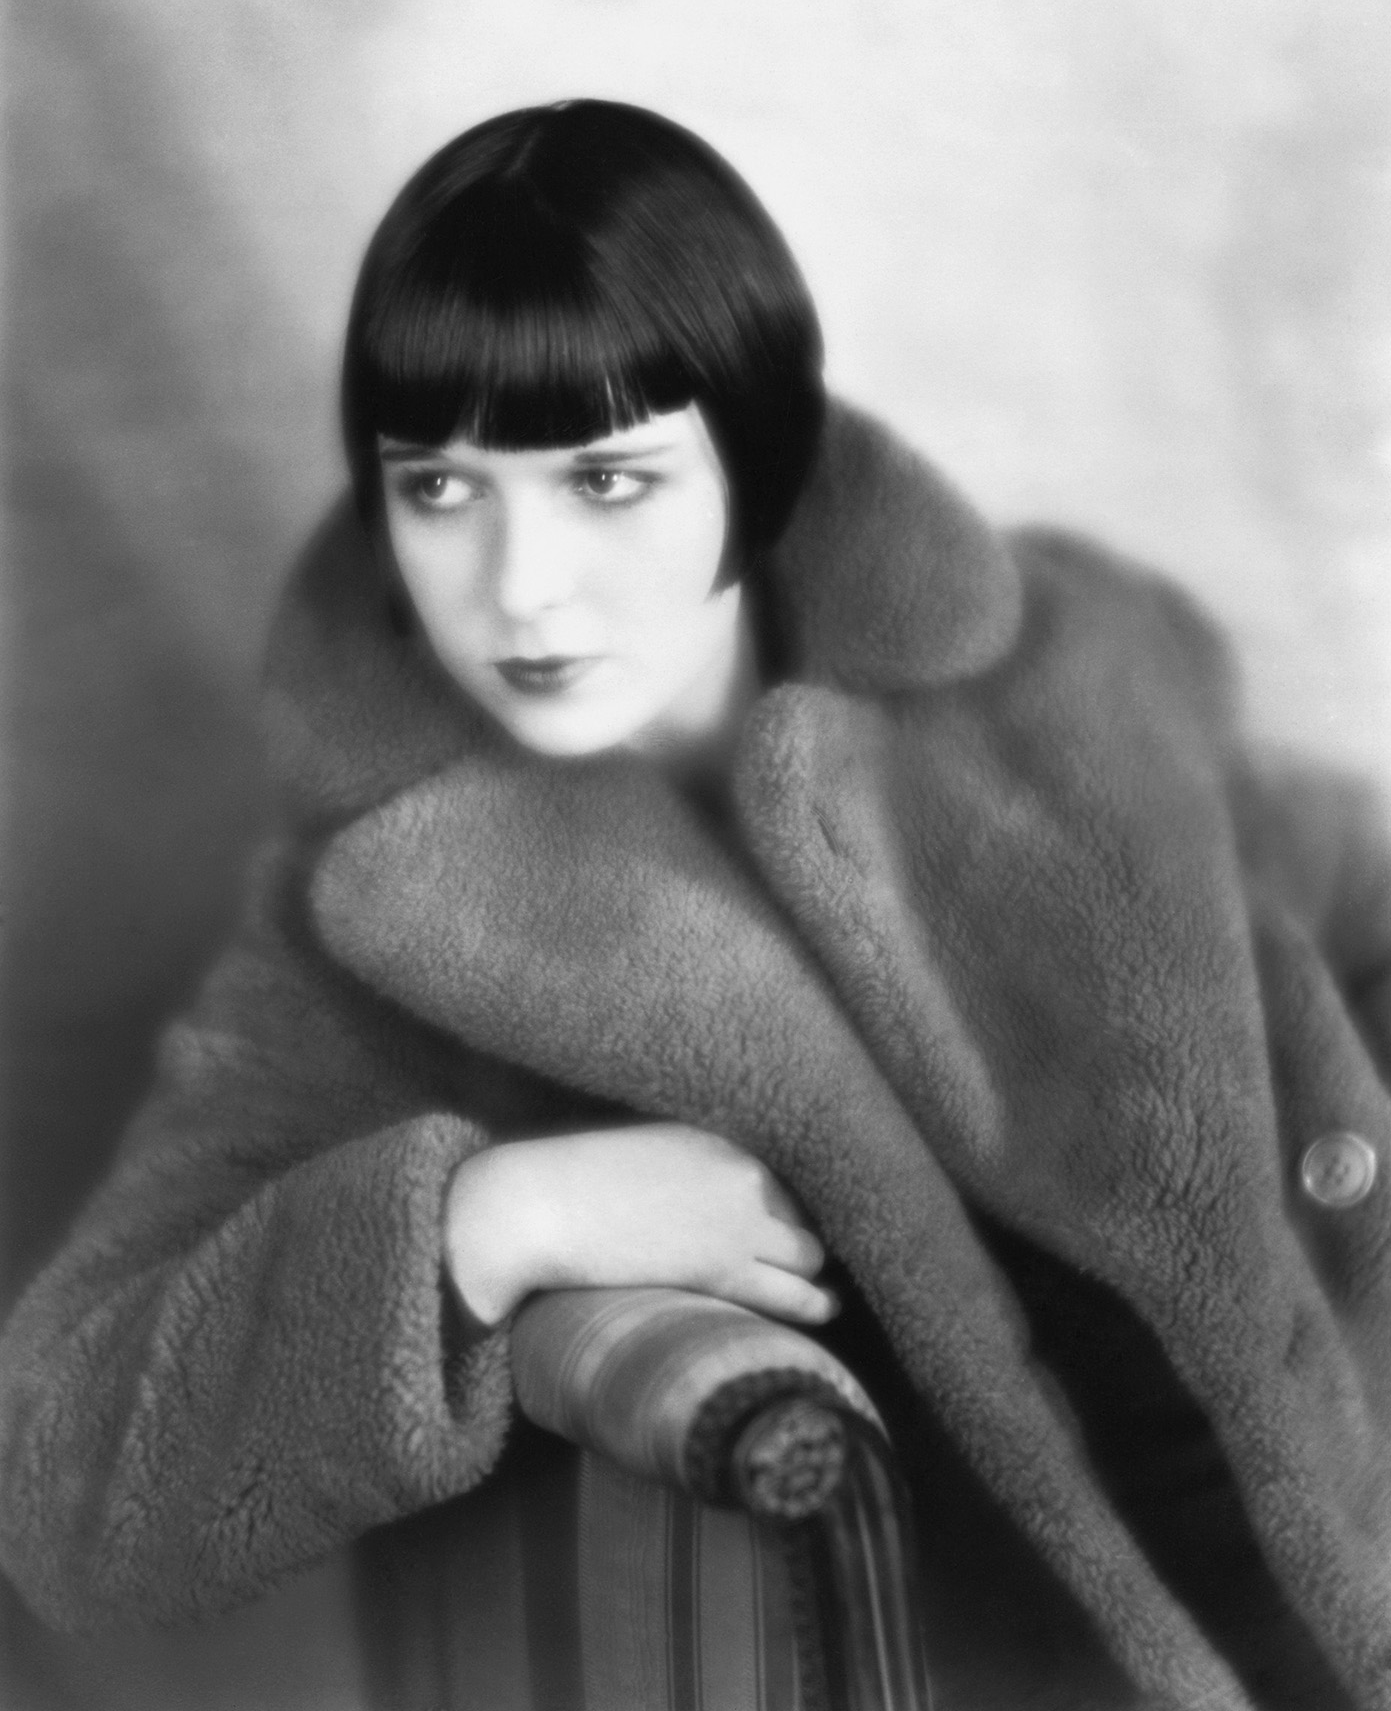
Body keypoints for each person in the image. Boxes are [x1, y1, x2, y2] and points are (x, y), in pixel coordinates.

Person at [1, 98, 1390, 1711]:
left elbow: (1353, 901)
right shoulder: (379, 931)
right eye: (440, 489)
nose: (521, 587)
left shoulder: (1068, 675)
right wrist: (486, 1223)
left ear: (760, 459)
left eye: (605, 478)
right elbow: (62, 1484)